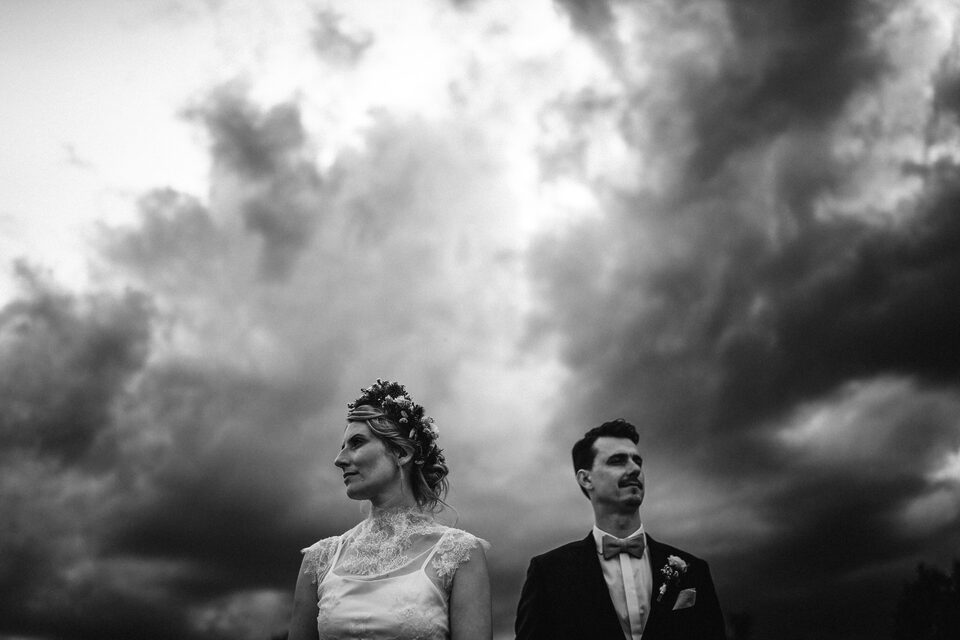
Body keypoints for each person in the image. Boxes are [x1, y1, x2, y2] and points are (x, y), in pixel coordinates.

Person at [288, 379, 492, 640]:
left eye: (357, 442)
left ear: (401, 453)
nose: (339, 460)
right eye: (342, 447)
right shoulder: (318, 560)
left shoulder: (459, 554)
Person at [515, 419, 725, 640]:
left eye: (637, 461)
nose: (634, 469)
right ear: (586, 478)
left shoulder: (694, 570)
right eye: (617, 461)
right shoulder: (548, 573)